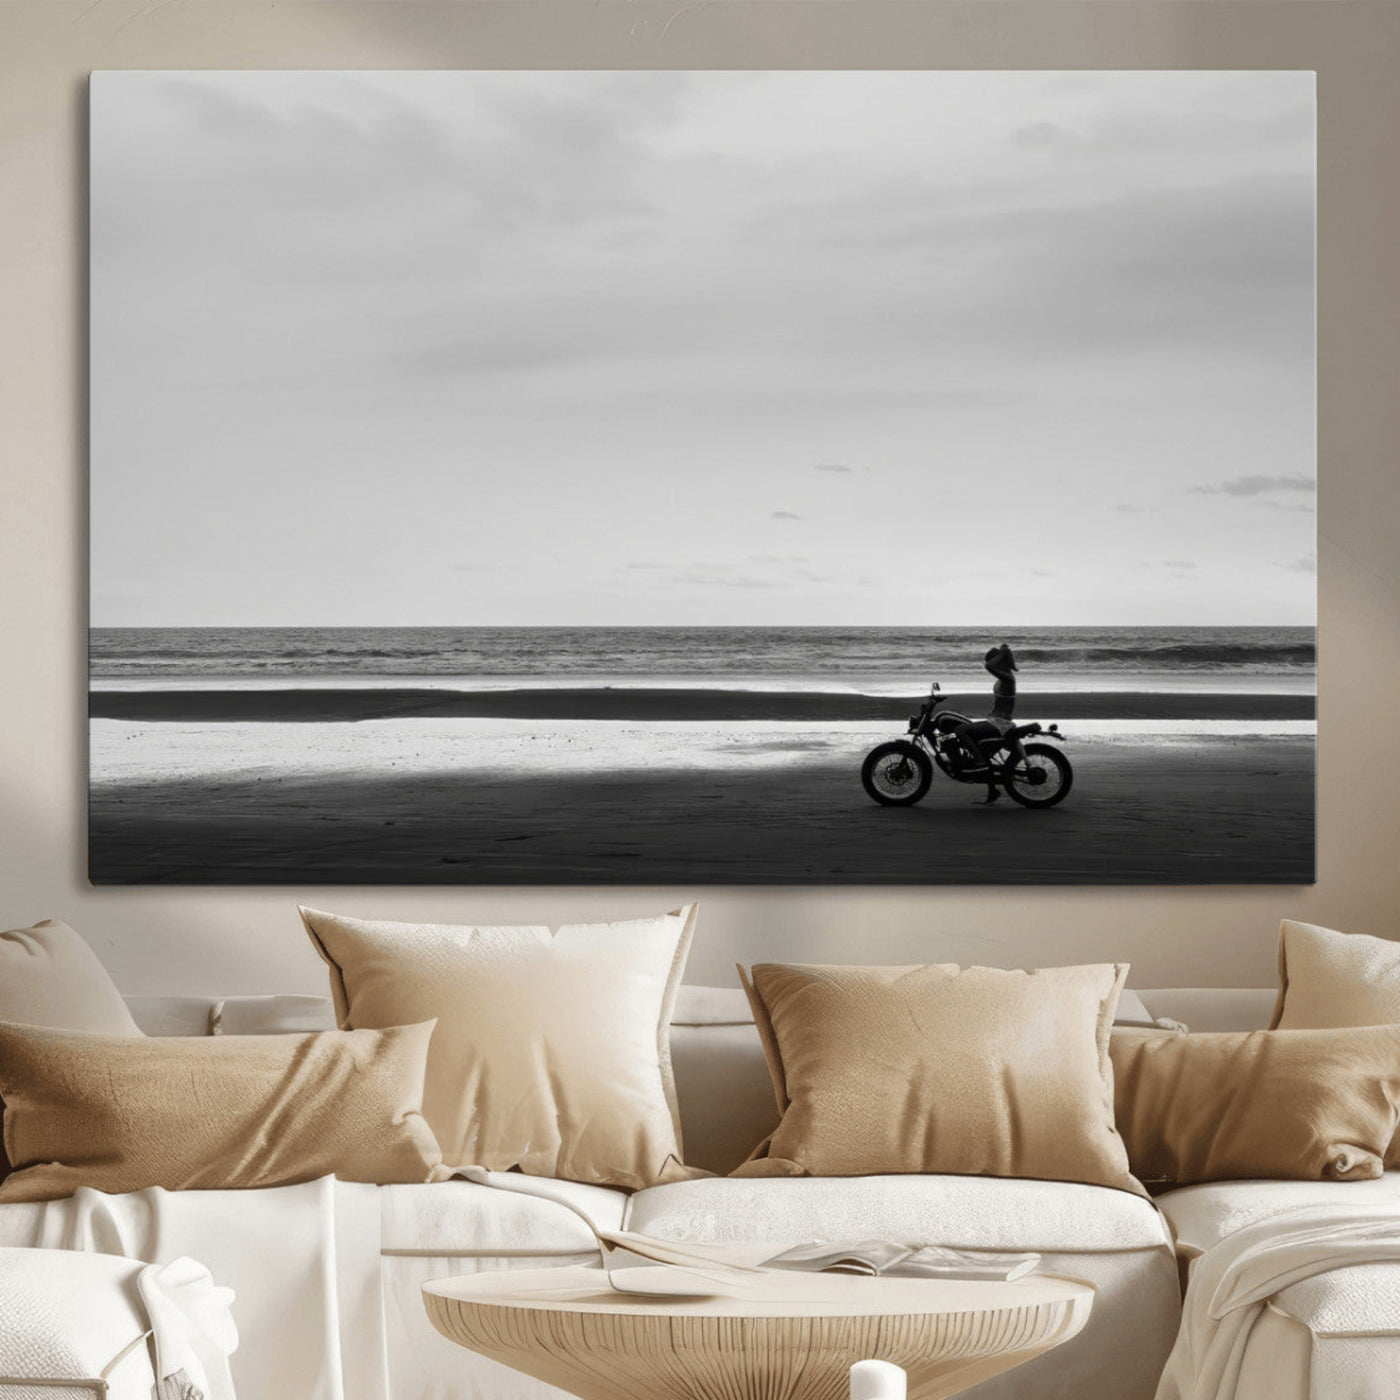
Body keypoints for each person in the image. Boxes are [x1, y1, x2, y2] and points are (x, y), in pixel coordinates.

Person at [954, 643, 1018, 804]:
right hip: (995, 721)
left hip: (1001, 724)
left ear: (999, 661)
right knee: (982, 748)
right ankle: (992, 791)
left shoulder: (1008, 678)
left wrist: (1003, 653)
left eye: (994, 660)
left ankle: (980, 763)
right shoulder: (1004, 677)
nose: (991, 664)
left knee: (961, 730)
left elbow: (989, 666)